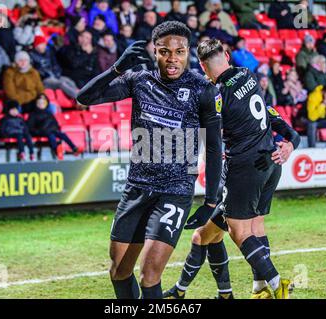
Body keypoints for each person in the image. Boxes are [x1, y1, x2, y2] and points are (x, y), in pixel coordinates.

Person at [76, 21, 223, 299]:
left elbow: (214, 147)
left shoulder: (202, 89)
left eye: (179, 52)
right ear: (154, 51)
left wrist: (211, 201)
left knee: (149, 275)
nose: (172, 59)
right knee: (118, 270)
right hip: (137, 188)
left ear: (188, 52)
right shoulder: (139, 80)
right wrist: (117, 68)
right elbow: (84, 97)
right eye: (165, 51)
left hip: (175, 190)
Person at [164, 45, 300, 299]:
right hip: (269, 161)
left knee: (239, 231)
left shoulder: (216, 95)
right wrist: (293, 140)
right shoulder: (246, 73)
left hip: (244, 168)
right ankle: (256, 289)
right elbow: (269, 113)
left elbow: (209, 137)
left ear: (203, 66)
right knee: (243, 228)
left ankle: (276, 284)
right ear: (227, 56)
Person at [27, 93, 79, 160]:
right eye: (39, 103)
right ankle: (56, 151)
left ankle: (74, 148)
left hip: (52, 130)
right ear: (36, 103)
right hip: (43, 132)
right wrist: (39, 132)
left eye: (43, 103)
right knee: (52, 136)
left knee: (62, 134)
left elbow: (55, 123)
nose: (41, 104)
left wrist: (55, 128)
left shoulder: (49, 113)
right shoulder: (33, 114)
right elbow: (30, 127)